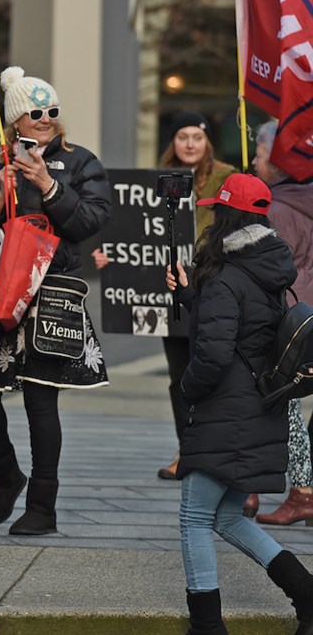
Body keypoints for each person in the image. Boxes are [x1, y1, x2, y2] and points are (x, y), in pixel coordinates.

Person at [0, 66, 111, 536]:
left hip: (53, 290)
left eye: (51, 111)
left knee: (41, 401)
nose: (45, 119)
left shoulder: (80, 161)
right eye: (34, 112)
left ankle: (43, 507)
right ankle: (5, 474)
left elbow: (90, 221)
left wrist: (47, 184)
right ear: (15, 120)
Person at [162, 172, 313, 635]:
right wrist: (191, 296)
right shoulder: (265, 269)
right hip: (255, 410)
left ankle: (207, 632)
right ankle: (308, 595)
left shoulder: (228, 276)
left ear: (225, 216)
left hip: (226, 413)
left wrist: (187, 391)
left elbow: (212, 354)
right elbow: (246, 326)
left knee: (193, 518)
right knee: (227, 517)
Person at [93, 111, 236, 481]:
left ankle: (217, 450)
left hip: (212, 291)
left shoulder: (228, 178)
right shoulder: (154, 181)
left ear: (208, 142)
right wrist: (113, 255)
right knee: (179, 376)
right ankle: (186, 450)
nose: (190, 143)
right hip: (167, 294)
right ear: (172, 142)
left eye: (197, 136)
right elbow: (134, 231)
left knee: (213, 373)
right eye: (182, 136)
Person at [249, 120, 313, 526]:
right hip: (306, 317)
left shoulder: (277, 208)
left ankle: (303, 491)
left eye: (259, 153)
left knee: (282, 402)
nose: (255, 159)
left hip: (289, 321)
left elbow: (273, 271)